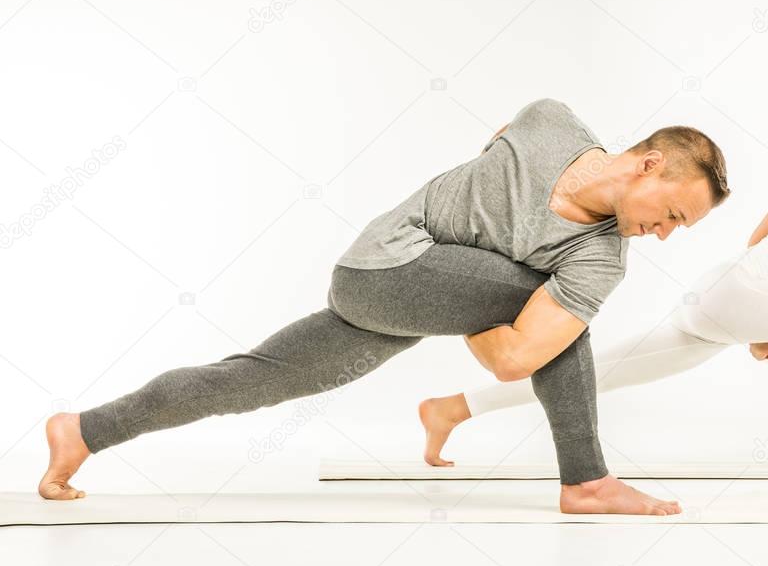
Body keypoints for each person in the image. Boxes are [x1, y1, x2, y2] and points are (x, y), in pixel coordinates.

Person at [39, 97, 730, 516]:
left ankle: (85, 430)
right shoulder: (552, 122)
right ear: (645, 165)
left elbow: (516, 361)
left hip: (406, 297)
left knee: (250, 379)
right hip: (387, 263)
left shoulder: (600, 255)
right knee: (557, 320)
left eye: (677, 229)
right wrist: (519, 291)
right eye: (669, 213)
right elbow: (520, 338)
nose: (663, 234)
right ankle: (586, 481)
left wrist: (490, 294)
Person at [419, 156, 768, 474]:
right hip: (737, 297)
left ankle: (452, 409)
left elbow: (761, 248)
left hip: (717, 303)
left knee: (601, 373)